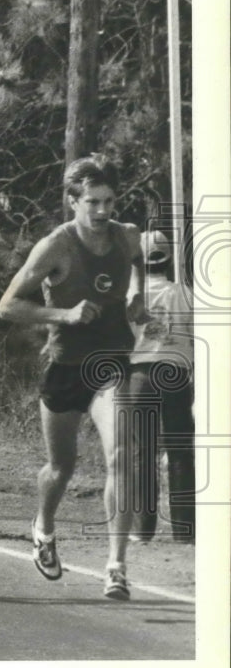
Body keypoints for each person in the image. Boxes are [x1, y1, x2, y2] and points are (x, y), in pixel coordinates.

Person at [0, 153, 149, 600]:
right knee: (61, 468)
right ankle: (43, 527)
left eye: (108, 201)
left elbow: (139, 263)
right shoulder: (55, 246)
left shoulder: (126, 236)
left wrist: (137, 299)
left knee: (121, 454)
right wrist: (63, 313)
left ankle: (116, 567)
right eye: (92, 203)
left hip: (111, 363)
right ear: (72, 202)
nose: (102, 211)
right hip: (65, 367)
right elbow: (7, 306)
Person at [128, 230, 195, 544]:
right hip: (177, 373)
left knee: (144, 453)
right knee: (180, 451)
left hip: (141, 373)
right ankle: (184, 529)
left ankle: (143, 530)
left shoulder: (132, 295)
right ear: (168, 258)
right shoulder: (184, 293)